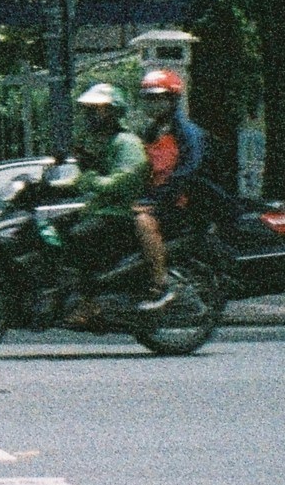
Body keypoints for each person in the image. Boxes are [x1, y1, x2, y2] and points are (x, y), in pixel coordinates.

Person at [51, 82, 144, 327]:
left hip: (118, 214)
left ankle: (90, 304)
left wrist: (89, 179)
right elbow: (82, 180)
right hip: (98, 211)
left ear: (114, 112)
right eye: (90, 110)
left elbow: (122, 180)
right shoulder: (99, 142)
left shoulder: (127, 143)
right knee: (50, 231)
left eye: (99, 109)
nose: (92, 115)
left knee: (76, 238)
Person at [133, 67, 210, 310]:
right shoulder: (151, 132)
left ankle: (160, 284)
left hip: (179, 203)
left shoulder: (188, 133)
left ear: (173, 100)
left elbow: (188, 172)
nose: (153, 104)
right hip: (155, 198)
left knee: (143, 222)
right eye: (148, 99)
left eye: (159, 99)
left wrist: (156, 201)